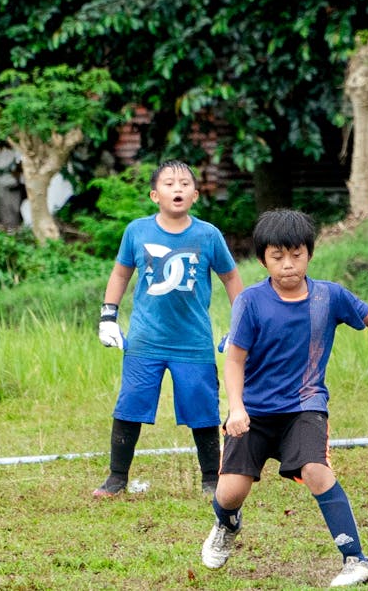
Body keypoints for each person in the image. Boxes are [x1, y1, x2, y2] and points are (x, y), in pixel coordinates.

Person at [200, 209, 368, 588]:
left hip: (304, 406)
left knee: (316, 470)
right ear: (263, 258)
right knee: (230, 492)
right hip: (253, 411)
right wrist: (236, 407)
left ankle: (356, 559)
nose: (288, 265)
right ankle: (226, 523)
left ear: (309, 254)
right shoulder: (250, 302)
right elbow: (234, 359)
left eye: (296, 255)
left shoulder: (329, 296)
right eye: (277, 256)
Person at [93, 160, 244, 498]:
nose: (177, 188)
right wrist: (108, 317)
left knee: (203, 409)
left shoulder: (208, 235)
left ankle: (211, 480)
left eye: (184, 184)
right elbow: (120, 275)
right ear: (154, 194)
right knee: (130, 405)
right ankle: (116, 478)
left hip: (193, 343)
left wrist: (240, 324)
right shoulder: (137, 231)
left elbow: (231, 278)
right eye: (169, 183)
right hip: (145, 341)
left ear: (195, 194)